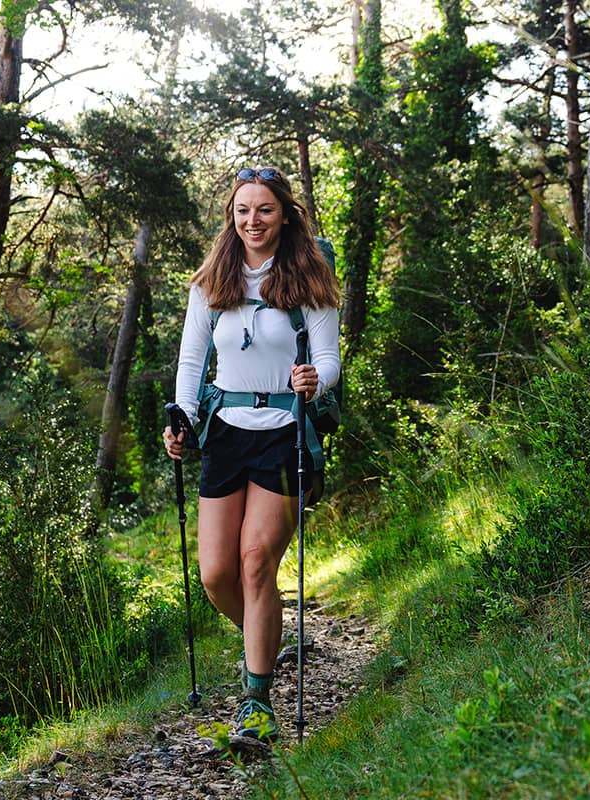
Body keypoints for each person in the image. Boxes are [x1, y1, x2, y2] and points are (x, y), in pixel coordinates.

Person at [164, 166, 340, 741]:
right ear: (231, 216)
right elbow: (192, 364)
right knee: (217, 574)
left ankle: (256, 700)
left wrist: (317, 377)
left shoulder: (309, 275)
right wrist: (182, 418)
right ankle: (268, 635)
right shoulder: (212, 281)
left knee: (256, 561)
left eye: (264, 209)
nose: (253, 221)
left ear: (284, 214)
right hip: (226, 432)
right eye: (243, 211)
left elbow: (331, 358)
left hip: (285, 429)